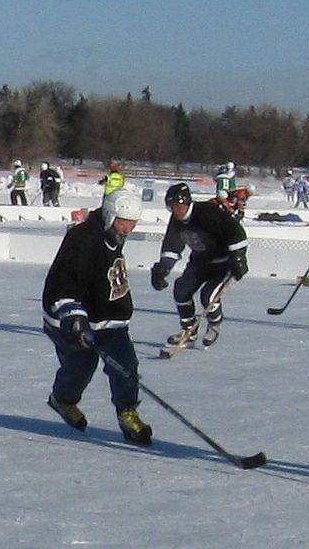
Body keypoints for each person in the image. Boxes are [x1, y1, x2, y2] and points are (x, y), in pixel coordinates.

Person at [42, 189, 152, 445]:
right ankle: (63, 399)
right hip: (69, 317)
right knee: (80, 367)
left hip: (109, 319)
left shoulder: (111, 236)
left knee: (126, 366)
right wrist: (72, 313)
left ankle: (127, 412)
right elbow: (65, 278)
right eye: (123, 221)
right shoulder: (83, 238)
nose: (127, 229)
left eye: (132, 223)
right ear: (110, 215)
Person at [151, 182, 249, 348]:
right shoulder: (176, 220)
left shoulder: (207, 212)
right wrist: (164, 268)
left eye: (175, 206)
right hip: (200, 262)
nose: (173, 211)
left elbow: (235, 232)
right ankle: (189, 331)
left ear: (186, 202)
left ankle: (214, 324)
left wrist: (238, 257)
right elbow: (172, 244)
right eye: (170, 207)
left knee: (208, 296)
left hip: (224, 263)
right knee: (181, 290)